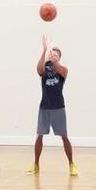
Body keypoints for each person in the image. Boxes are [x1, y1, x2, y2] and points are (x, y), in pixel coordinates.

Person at [28, 35, 77, 176]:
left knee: (64, 136)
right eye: (52, 53)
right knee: (39, 136)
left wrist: (52, 58)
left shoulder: (63, 70)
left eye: (56, 54)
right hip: (44, 107)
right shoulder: (44, 70)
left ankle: (71, 164)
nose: (53, 54)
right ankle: (36, 164)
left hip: (58, 108)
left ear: (59, 57)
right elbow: (38, 69)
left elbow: (58, 67)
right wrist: (44, 50)